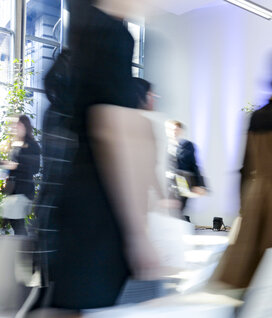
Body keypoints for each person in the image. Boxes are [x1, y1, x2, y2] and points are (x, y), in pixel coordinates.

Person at [38, 0, 144, 309]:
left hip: (77, 208)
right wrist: (137, 233)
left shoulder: (91, 27)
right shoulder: (109, 36)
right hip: (94, 208)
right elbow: (109, 129)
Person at [211, 49, 272, 289]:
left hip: (255, 198)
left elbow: (244, 168)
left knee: (246, 270)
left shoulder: (256, 117)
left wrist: (243, 207)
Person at [0, 115, 41, 235]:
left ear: (25, 126)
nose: (14, 127)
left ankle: (25, 250)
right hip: (13, 190)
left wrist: (16, 165)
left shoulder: (32, 145)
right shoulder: (14, 145)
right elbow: (10, 167)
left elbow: (35, 169)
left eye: (17, 124)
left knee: (17, 224)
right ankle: (23, 248)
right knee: (14, 223)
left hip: (23, 191)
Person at [166, 120, 207, 217]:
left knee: (179, 207)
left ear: (180, 131)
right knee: (170, 208)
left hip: (182, 181)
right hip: (169, 182)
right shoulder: (166, 146)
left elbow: (194, 165)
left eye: (176, 129)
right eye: (171, 129)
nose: (174, 132)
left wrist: (200, 184)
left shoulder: (188, 146)